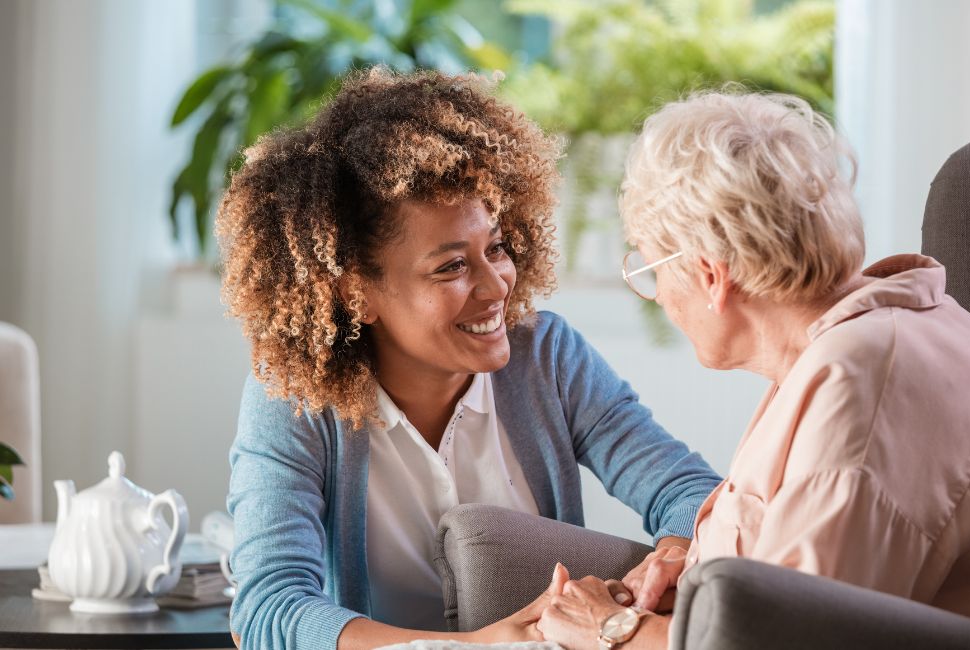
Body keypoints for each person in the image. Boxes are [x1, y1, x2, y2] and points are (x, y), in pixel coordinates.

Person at [218, 67, 721, 650]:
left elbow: (690, 492)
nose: (496, 286)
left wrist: (672, 555)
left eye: (497, 248)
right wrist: (471, 648)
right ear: (357, 291)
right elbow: (268, 607)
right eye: (452, 266)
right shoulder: (296, 399)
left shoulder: (548, 358)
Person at [537, 90, 970, 649]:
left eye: (651, 268)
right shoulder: (853, 345)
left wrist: (611, 629)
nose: (660, 297)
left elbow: (793, 639)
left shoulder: (863, 385)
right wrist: (694, 576)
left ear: (710, 274)